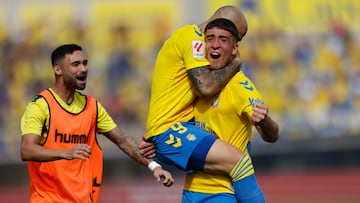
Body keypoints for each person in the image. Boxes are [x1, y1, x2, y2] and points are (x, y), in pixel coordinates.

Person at [20, 44, 174, 203]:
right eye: (76, 64)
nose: (84, 69)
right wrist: (64, 153)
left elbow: (122, 140)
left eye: (85, 63)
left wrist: (154, 166)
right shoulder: (40, 106)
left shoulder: (92, 106)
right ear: (58, 70)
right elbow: (27, 150)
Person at [144, 5, 266, 202]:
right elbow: (206, 87)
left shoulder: (198, 45)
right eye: (236, 36)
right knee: (239, 162)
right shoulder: (192, 38)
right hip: (169, 129)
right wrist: (235, 64)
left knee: (234, 164)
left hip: (180, 127)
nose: (236, 45)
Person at [181, 18, 279, 203]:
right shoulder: (192, 83)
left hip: (223, 191)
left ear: (235, 49)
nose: (215, 45)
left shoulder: (239, 86)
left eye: (223, 40)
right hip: (190, 190)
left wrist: (264, 120)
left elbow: (272, 135)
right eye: (210, 38)